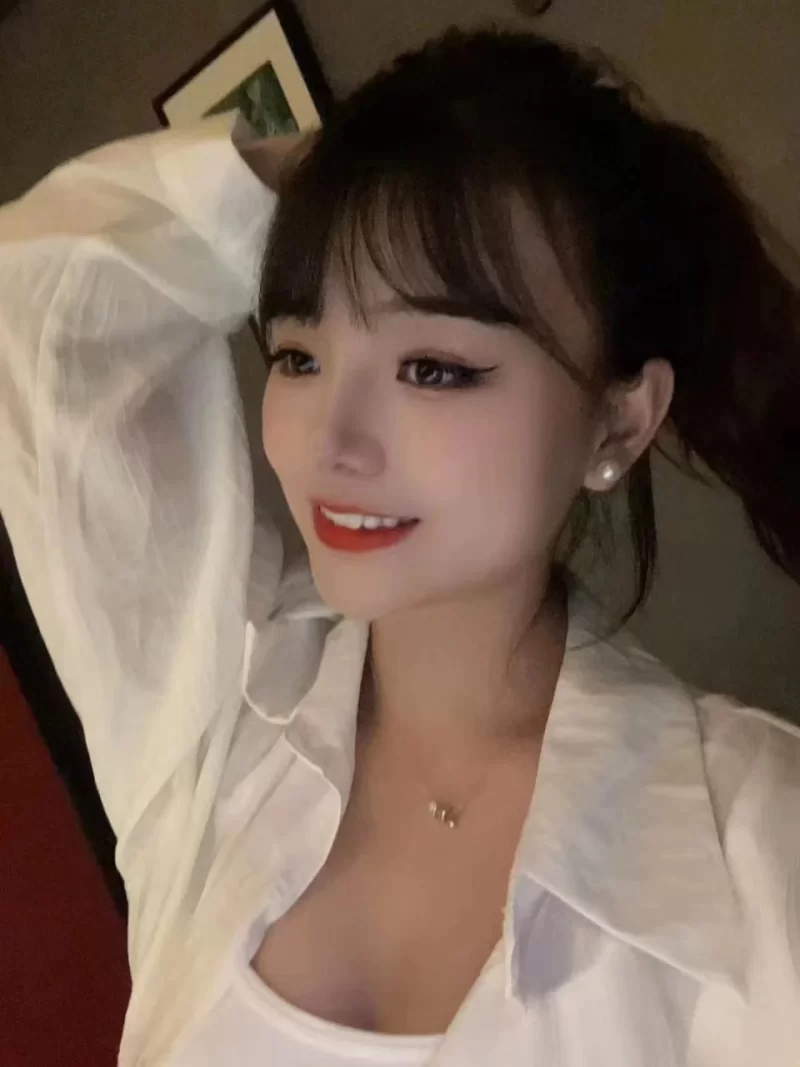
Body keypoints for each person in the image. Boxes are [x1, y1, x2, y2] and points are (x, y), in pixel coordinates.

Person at [1, 24, 799, 1067]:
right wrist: (342, 179)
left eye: (432, 367)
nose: (327, 442)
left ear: (617, 422)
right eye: (298, 353)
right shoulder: (219, 719)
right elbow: (42, 311)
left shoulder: (759, 854)